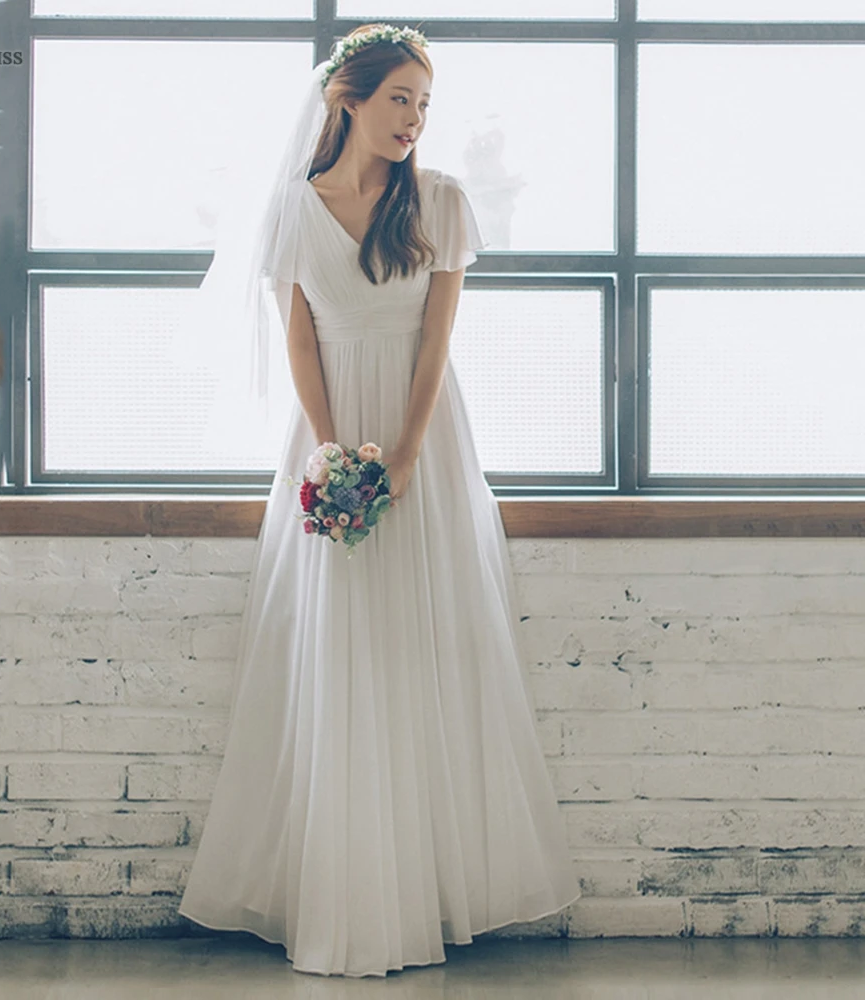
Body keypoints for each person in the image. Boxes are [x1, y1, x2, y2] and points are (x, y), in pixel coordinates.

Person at [178, 22, 581, 978]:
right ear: (347, 99)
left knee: (419, 645)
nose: (414, 120)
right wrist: (329, 455)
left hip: (423, 439)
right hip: (328, 446)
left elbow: (437, 342)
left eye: (425, 105)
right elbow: (302, 342)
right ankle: (346, 894)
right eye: (400, 98)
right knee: (338, 646)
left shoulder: (439, 202)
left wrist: (401, 454)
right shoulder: (291, 211)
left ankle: (424, 893)